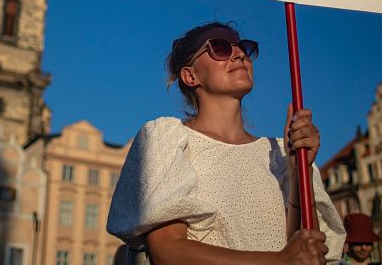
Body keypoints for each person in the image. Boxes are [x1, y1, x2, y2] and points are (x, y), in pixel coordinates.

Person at [106, 22, 345, 265]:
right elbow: (169, 252)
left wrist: (298, 172)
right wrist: (279, 261)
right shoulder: (168, 139)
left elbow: (308, 251)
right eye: (220, 47)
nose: (239, 54)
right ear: (190, 76)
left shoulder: (282, 152)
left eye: (243, 47)